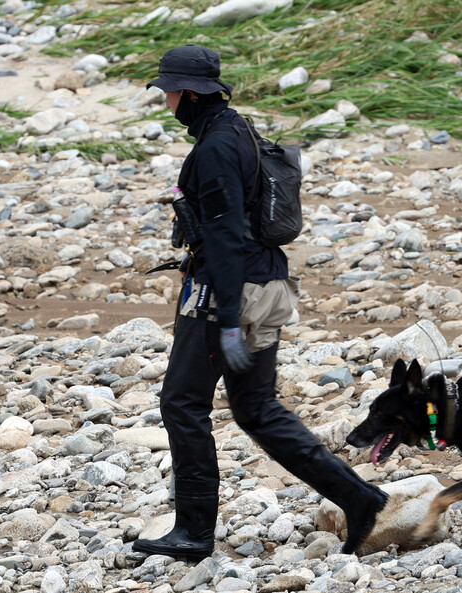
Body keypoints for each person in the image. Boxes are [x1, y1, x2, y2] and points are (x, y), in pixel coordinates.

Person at [132, 45, 388, 561]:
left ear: (190, 94)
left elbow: (227, 235)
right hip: (266, 284)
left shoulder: (214, 149)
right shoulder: (237, 129)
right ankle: (358, 497)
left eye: (169, 91)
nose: (166, 101)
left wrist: (227, 320)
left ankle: (193, 532)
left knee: (182, 404)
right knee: (257, 410)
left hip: (227, 296)